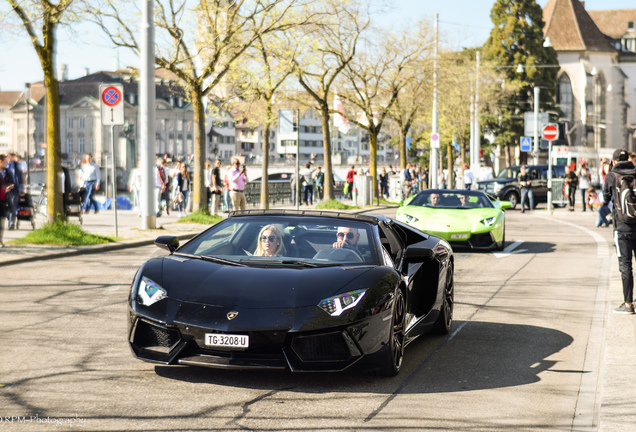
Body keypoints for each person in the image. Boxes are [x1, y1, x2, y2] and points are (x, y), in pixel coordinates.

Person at [603, 149, 636, 314]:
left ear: (614, 161)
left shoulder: (611, 176)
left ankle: (628, 304)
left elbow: (605, 199)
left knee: (625, 265)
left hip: (622, 226)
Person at [0, 154, 14, 247]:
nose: (7, 164)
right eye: (6, 162)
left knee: (2, 221)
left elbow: (12, 182)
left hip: (4, 201)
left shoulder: (7, 173)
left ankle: (0, 240)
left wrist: (9, 187)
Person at [6, 153, 22, 229]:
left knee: (12, 207)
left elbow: (18, 178)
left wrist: (19, 189)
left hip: (13, 190)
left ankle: (11, 224)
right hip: (5, 190)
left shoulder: (15, 165)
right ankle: (10, 221)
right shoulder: (5, 165)